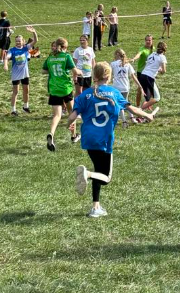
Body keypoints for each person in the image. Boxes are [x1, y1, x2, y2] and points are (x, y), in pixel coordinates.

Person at [66, 62, 155, 218]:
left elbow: (72, 117)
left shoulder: (84, 94)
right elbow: (131, 109)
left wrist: (70, 124)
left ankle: (95, 207)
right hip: (104, 140)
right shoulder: (114, 93)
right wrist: (147, 115)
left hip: (88, 139)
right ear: (108, 76)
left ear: (94, 76)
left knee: (97, 170)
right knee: (105, 177)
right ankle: (87, 175)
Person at [43, 38, 78, 152]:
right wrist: (82, 72)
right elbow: (75, 72)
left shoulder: (50, 58)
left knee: (56, 115)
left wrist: (52, 72)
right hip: (66, 89)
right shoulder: (66, 56)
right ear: (63, 47)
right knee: (72, 112)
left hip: (54, 89)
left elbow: (43, 71)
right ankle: (73, 136)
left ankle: (51, 133)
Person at [7, 27, 39, 115]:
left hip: (25, 74)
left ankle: (26, 107)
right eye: (16, 41)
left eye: (19, 41)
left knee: (26, 90)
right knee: (15, 92)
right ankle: (13, 110)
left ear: (23, 41)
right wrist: (6, 63)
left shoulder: (26, 48)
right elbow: (7, 57)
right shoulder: (12, 50)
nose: (18, 42)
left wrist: (34, 32)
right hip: (16, 74)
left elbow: (35, 41)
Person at [138, 40, 167, 116]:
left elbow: (149, 64)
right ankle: (140, 110)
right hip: (149, 77)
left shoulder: (152, 54)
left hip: (142, 75)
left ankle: (143, 111)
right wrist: (160, 70)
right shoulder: (162, 57)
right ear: (164, 50)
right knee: (157, 98)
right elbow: (164, 71)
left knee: (149, 97)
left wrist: (156, 69)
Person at [109, 48, 138, 123]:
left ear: (117, 55)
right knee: (126, 102)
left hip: (117, 87)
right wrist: (139, 85)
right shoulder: (127, 64)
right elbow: (133, 76)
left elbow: (109, 74)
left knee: (119, 104)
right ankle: (132, 118)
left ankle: (124, 121)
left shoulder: (113, 64)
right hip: (125, 87)